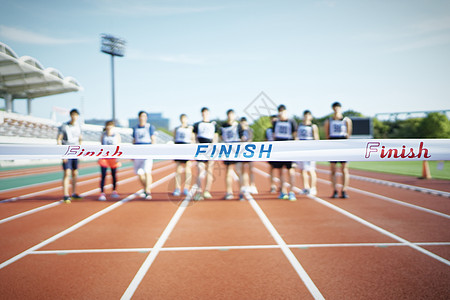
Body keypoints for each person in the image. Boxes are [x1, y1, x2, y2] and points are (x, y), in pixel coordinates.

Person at [324, 101, 353, 198]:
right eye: (335, 108)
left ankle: (344, 189)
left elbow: (348, 134)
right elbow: (327, 134)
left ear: (340, 108)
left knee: (344, 169)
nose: (336, 109)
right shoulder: (329, 121)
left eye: (338, 108)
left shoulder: (346, 120)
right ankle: (335, 190)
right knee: (333, 169)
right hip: (333, 144)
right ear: (333, 109)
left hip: (343, 144)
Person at [192, 107, 219, 201]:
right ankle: (199, 192)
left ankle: (207, 191)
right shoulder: (197, 125)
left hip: (210, 150)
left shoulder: (213, 124)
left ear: (209, 113)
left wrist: (214, 150)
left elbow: (215, 138)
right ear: (201, 114)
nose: (205, 114)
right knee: (199, 170)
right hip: (200, 150)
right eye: (203, 113)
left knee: (210, 171)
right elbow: (194, 138)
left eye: (206, 113)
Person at [57, 108, 83, 203]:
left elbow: (80, 139)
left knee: (75, 173)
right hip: (67, 152)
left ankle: (74, 193)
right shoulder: (64, 126)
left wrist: (80, 152)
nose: (74, 117)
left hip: (76, 152)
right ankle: (66, 194)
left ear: (78, 116)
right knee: (67, 173)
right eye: (73, 115)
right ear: (70, 116)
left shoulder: (79, 127)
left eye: (76, 115)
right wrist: (62, 154)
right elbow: (59, 139)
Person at [272, 105, 298, 201]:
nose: (281, 113)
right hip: (279, 149)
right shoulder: (275, 122)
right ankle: (283, 191)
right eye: (279, 112)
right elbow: (274, 135)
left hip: (289, 149)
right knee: (280, 171)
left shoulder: (291, 121)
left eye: (283, 111)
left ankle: (291, 192)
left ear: (286, 112)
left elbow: (295, 136)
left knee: (291, 171)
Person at [220, 109, 243, 200]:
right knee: (228, 172)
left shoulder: (238, 126)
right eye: (229, 115)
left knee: (239, 171)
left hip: (236, 150)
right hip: (227, 151)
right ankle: (229, 192)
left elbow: (242, 137)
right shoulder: (223, 126)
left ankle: (241, 192)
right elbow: (221, 137)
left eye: (232, 115)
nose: (230, 116)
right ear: (227, 116)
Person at [132, 111, 156, 200]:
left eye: (144, 116)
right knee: (139, 173)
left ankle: (147, 191)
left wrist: (153, 151)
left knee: (147, 171)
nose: (142, 118)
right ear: (139, 117)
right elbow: (134, 140)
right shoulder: (135, 128)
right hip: (138, 153)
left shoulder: (150, 127)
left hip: (147, 153)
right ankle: (145, 189)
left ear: (146, 118)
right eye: (141, 116)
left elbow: (153, 139)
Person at [296, 110, 319, 195]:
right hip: (301, 150)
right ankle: (306, 187)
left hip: (310, 150)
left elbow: (316, 138)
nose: (306, 117)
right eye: (305, 115)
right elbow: (297, 137)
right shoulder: (300, 126)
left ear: (311, 117)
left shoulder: (313, 126)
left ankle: (313, 188)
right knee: (302, 170)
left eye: (308, 115)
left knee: (311, 169)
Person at [98, 120, 122, 201]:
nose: (109, 127)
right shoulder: (103, 135)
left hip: (113, 158)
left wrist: (118, 158)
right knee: (103, 175)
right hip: (104, 158)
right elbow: (101, 145)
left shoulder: (117, 136)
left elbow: (119, 146)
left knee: (114, 175)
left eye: (111, 125)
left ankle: (114, 191)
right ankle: (102, 192)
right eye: (108, 125)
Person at [173, 114, 194, 196]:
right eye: (182, 118)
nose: (183, 120)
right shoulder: (177, 129)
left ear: (187, 119)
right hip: (179, 149)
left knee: (188, 169)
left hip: (187, 148)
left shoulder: (190, 128)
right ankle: (177, 188)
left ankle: (186, 188)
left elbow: (192, 139)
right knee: (178, 169)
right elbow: (174, 139)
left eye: (185, 118)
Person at [239, 117, 258, 195]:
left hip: (249, 152)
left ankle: (252, 185)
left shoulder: (250, 130)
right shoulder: (239, 131)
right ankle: (245, 185)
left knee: (251, 169)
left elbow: (250, 139)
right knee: (243, 170)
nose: (243, 124)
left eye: (244, 122)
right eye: (242, 123)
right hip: (242, 152)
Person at [265, 115, 278, 193]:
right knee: (271, 169)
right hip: (271, 152)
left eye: (275, 120)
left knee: (281, 170)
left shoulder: (279, 128)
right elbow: (266, 140)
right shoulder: (268, 130)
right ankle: (272, 185)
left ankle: (280, 185)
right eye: (272, 120)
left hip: (279, 151)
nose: (273, 121)